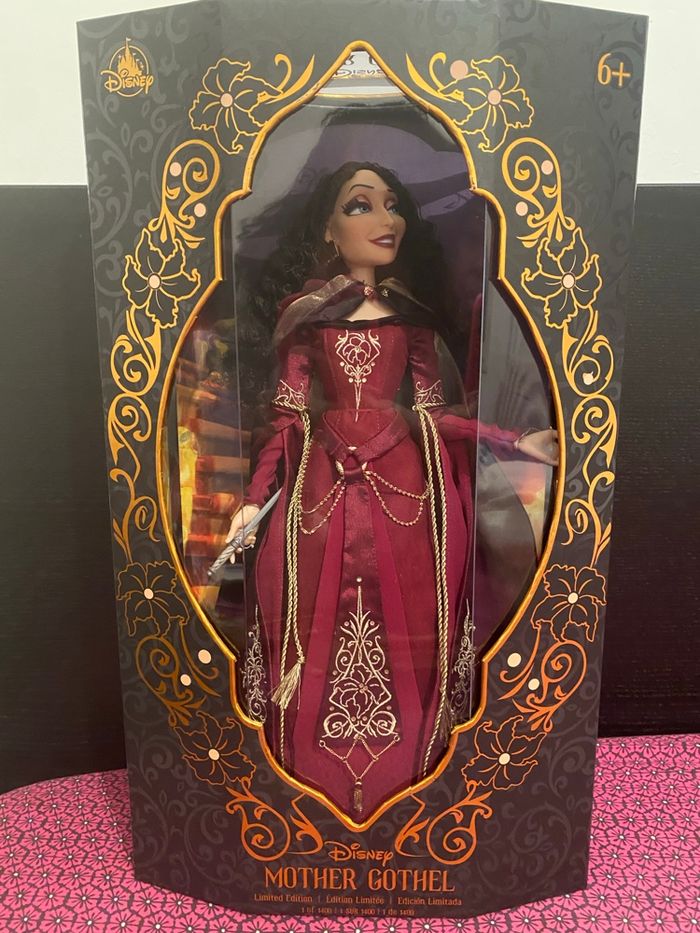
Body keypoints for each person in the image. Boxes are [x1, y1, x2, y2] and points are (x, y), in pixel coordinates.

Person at [225, 162, 557, 819]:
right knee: (312, 619)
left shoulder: (412, 318)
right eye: (361, 205)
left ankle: (411, 770)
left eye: (393, 204)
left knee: (411, 620)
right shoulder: (308, 318)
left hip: (406, 491)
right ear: (328, 228)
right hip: (319, 493)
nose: (386, 219)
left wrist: (514, 440)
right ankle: (308, 773)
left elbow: (434, 414)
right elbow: (287, 420)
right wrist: (252, 501)